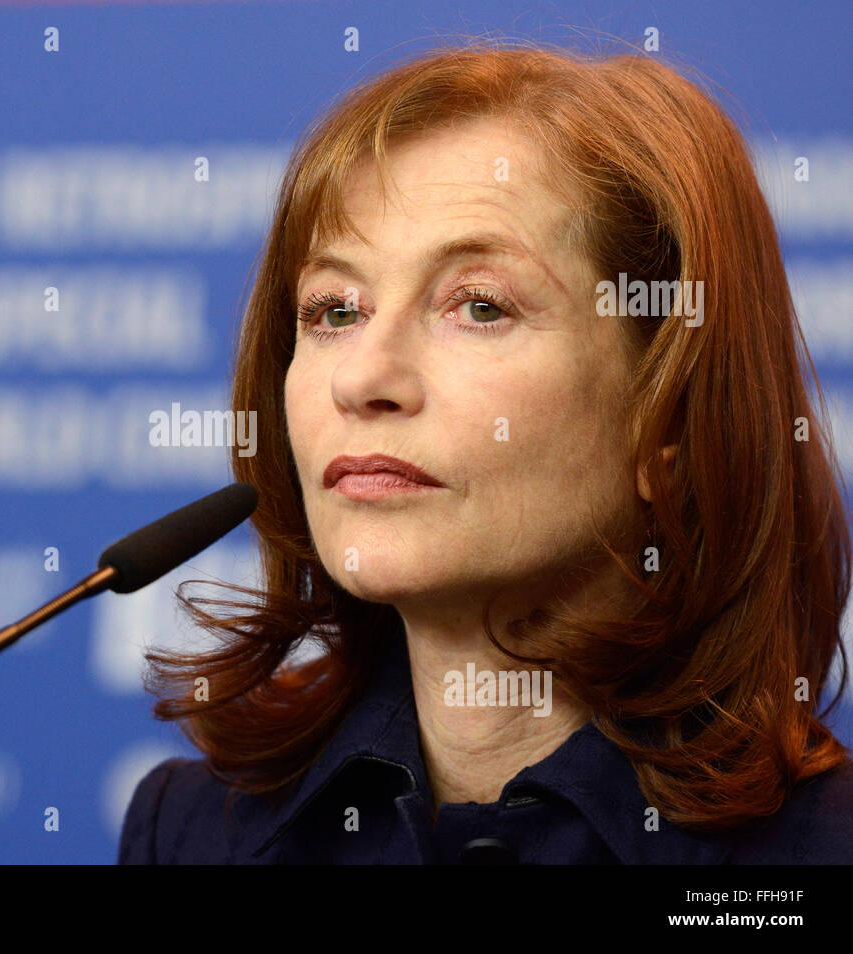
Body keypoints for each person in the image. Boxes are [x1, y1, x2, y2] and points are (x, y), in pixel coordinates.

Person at [117, 43, 853, 864]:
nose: (363, 378)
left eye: (478, 305)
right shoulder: (188, 835)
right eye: (332, 311)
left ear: (669, 418)